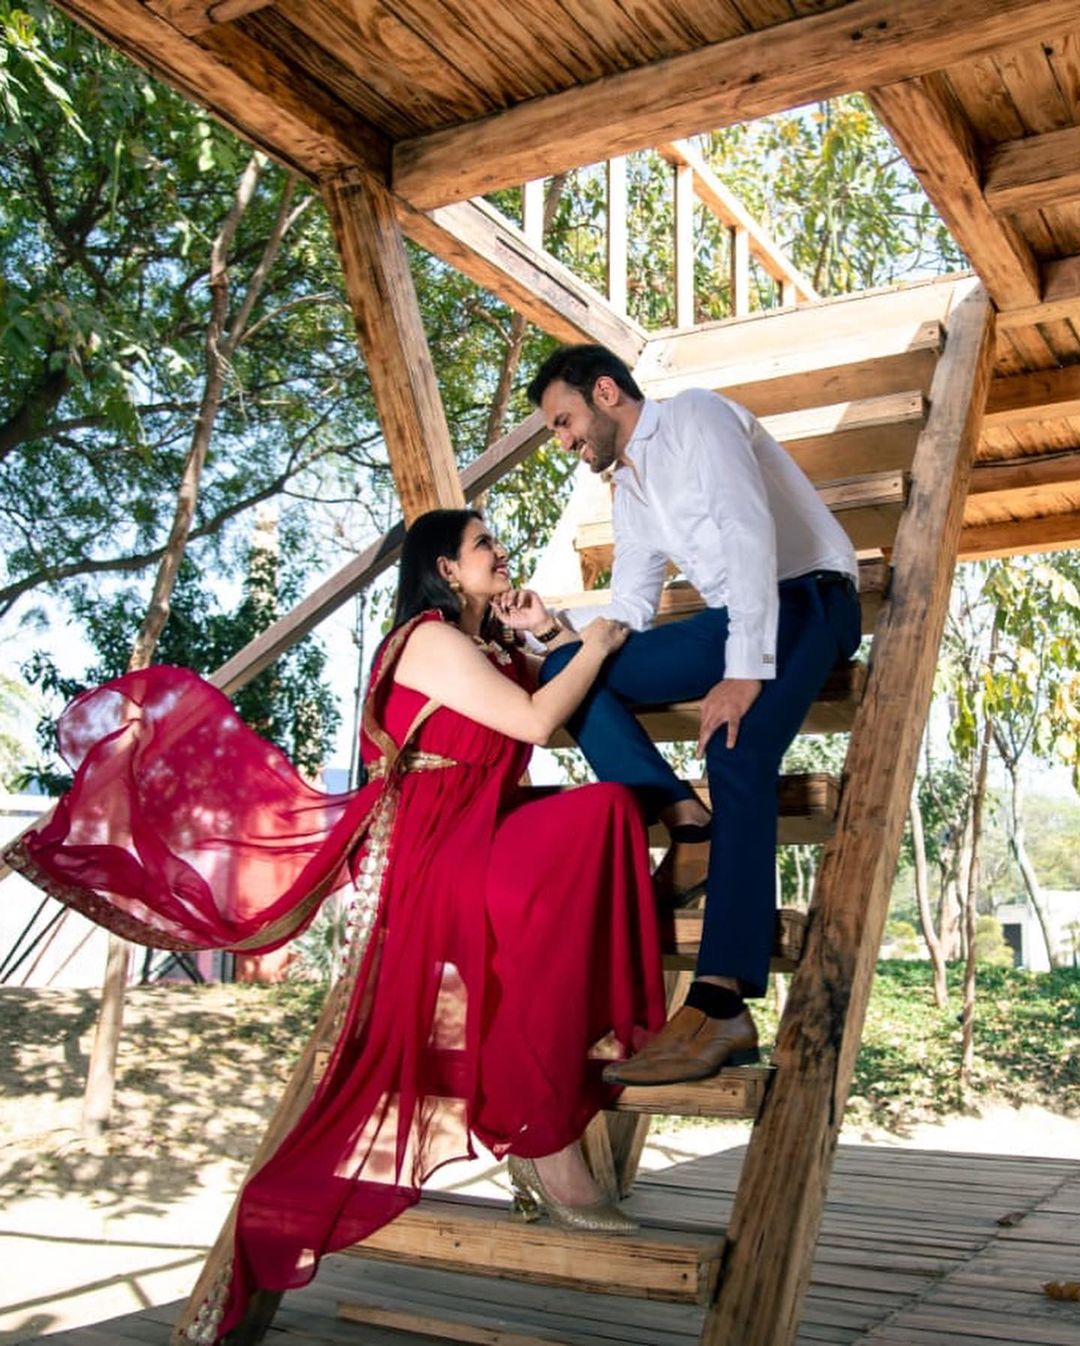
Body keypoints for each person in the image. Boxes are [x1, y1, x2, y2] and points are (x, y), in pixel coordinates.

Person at [5, 509, 665, 1342]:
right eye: (482, 546)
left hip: (482, 828)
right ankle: (526, 1155)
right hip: (441, 849)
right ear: (445, 570)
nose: (500, 553)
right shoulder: (427, 640)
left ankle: (543, 1141)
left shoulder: (485, 647)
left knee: (598, 825)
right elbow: (537, 724)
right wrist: (596, 645)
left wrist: (552, 631)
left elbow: (555, 712)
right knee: (599, 813)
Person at [526, 344, 862, 1088]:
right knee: (568, 673)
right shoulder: (633, 489)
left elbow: (749, 535)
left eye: (564, 421)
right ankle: (688, 820)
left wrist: (743, 674)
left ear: (606, 392)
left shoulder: (698, 419)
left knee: (736, 750)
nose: (564, 440)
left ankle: (720, 1003)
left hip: (810, 598)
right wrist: (552, 631)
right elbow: (629, 609)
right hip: (741, 616)